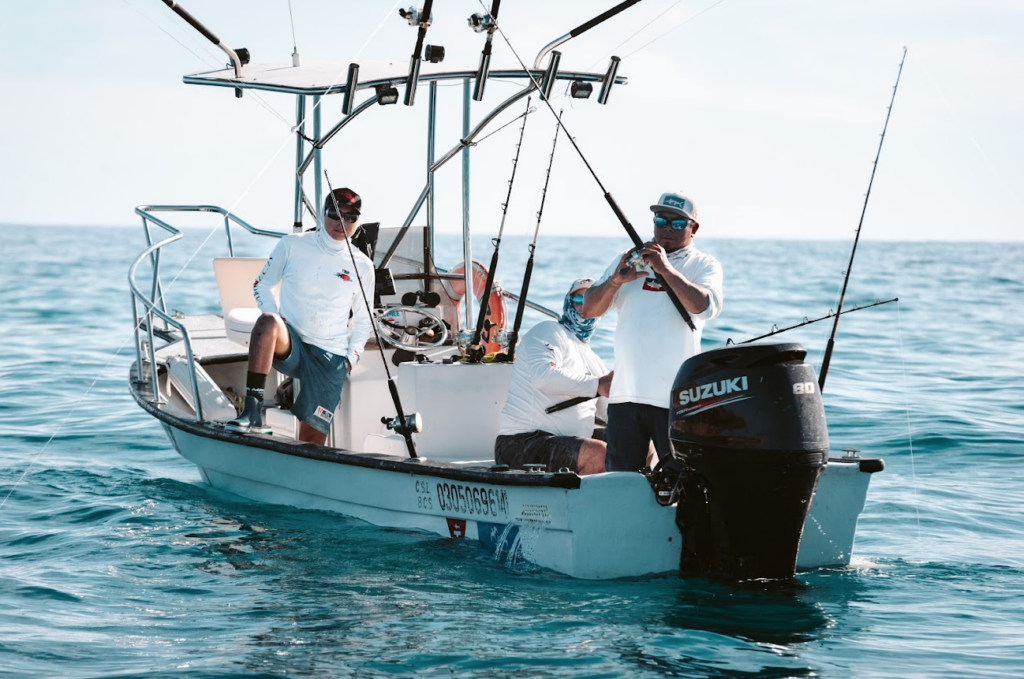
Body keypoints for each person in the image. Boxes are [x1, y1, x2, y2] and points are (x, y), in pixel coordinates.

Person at [580, 190, 723, 472]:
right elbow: (589, 309)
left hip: (674, 399)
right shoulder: (629, 258)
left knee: (681, 477)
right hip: (624, 397)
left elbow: (703, 306)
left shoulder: (703, 265)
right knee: (619, 480)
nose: (667, 228)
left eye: (678, 223)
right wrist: (614, 281)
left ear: (694, 229)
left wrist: (665, 269)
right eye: (661, 220)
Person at [226, 187, 376, 444]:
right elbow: (261, 285)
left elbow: (364, 321)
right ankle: (252, 411)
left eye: (351, 218)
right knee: (267, 322)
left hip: (331, 356)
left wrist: (351, 358)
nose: (342, 223)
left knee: (312, 440)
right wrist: (277, 318)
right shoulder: (291, 244)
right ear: (323, 214)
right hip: (291, 344)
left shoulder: (363, 265)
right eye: (335, 214)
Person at [494, 279, 612, 475]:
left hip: (568, 441)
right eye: (578, 298)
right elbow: (543, 377)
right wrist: (597, 384)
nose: (585, 305)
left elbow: (608, 413)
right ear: (567, 302)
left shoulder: (595, 360)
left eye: (592, 299)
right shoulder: (549, 331)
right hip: (521, 443)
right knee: (598, 454)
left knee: (635, 443)